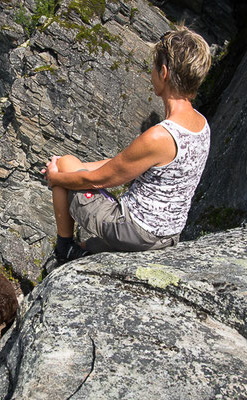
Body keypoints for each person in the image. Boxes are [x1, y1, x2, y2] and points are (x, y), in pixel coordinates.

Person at [41, 26, 212, 265]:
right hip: (168, 234)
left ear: (163, 72)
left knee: (63, 164)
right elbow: (124, 166)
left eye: (153, 68)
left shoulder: (160, 136)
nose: (150, 73)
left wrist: (56, 177)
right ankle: (75, 248)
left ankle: (63, 248)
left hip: (137, 232)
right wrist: (80, 167)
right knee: (72, 170)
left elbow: (101, 179)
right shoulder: (202, 125)